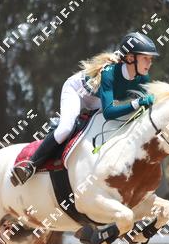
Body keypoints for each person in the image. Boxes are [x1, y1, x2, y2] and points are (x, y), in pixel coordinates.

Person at [10, 32, 159, 186]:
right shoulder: (110, 73)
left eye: (151, 59)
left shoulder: (143, 78)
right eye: (145, 58)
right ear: (130, 58)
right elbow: (109, 113)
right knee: (66, 129)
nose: (150, 62)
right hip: (77, 91)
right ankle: (29, 165)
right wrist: (137, 103)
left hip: (97, 100)